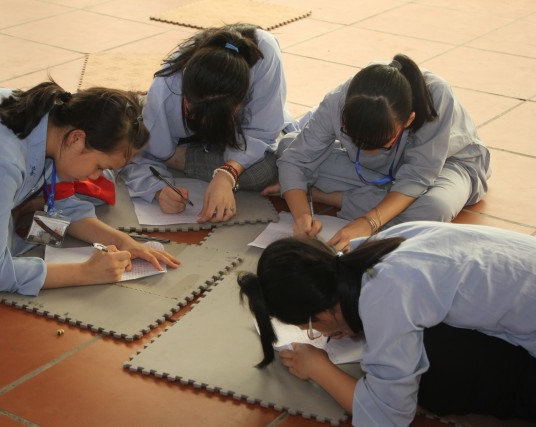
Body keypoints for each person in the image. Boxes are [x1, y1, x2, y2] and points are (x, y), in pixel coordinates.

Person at [0, 81, 180, 296]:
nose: (96, 176)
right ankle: (15, 212)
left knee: (23, 229)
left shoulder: (54, 123)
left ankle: (16, 211)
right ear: (77, 140)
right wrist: (85, 273)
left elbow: (68, 208)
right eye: (98, 166)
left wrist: (124, 241)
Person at [238, 221, 536, 426]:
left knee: (432, 373)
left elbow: (387, 418)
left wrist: (318, 367)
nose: (320, 334)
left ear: (322, 313)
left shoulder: (385, 295)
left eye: (312, 329)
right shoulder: (379, 247)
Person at [263, 53, 491, 252]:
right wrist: (302, 217)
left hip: (448, 166)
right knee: (288, 146)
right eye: (355, 140)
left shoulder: (436, 97)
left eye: (381, 145)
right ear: (344, 117)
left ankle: (329, 196)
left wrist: (368, 223)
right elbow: (297, 159)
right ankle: (382, 201)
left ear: (408, 121)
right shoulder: (338, 101)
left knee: (434, 209)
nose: (367, 151)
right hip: (375, 172)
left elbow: (418, 176)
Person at [120, 23, 299, 223]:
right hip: (189, 140)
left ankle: (173, 157)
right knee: (129, 141)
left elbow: (262, 131)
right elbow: (136, 157)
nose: (207, 122)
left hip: (240, 137)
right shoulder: (167, 90)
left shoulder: (264, 54)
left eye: (222, 116)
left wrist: (227, 174)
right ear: (185, 93)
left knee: (267, 170)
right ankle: (170, 153)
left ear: (241, 101)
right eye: (195, 114)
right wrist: (158, 190)